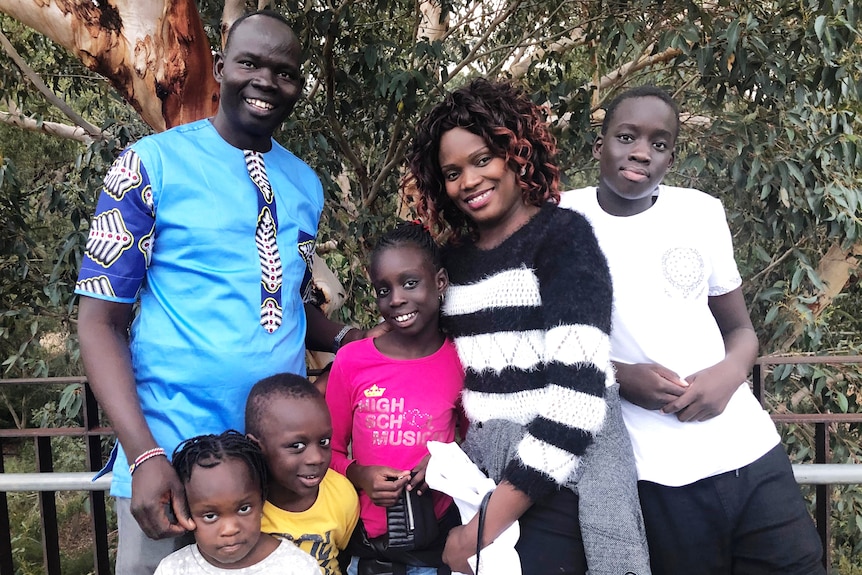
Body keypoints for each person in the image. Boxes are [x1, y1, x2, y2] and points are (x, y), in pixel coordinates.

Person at [75, 10, 371, 574]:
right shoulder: (148, 166)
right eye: (250, 62)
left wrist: (353, 338)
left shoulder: (306, 184)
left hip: (277, 476)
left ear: (298, 87)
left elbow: (286, 302)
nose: (265, 80)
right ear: (220, 69)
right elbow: (99, 322)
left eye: (283, 72)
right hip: (173, 469)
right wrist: (143, 455)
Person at [559, 85, 825, 574]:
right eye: (626, 136)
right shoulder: (559, 220)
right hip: (653, 476)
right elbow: (535, 344)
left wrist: (730, 374)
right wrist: (621, 378)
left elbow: (741, 329)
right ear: (599, 146)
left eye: (659, 144)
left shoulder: (701, 212)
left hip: (749, 453)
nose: (642, 151)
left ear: (671, 159)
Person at [406, 78, 650, 575]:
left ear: (517, 153)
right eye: (452, 173)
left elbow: (577, 402)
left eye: (481, 160)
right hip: (488, 467)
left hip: (570, 472)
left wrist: (483, 529)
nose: (468, 182)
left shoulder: (563, 239)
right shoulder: (452, 259)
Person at [326, 222, 465, 575]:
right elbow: (328, 449)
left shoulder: (462, 361)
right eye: (383, 289)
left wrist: (445, 464)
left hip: (435, 549)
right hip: (368, 551)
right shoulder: (353, 361)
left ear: (441, 282)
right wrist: (360, 474)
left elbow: (477, 442)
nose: (396, 299)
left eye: (410, 283)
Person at [154, 430, 320, 575]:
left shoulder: (296, 567)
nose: (230, 529)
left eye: (244, 509)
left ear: (262, 499)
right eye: (210, 516)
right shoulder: (174, 569)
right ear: (186, 513)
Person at [245, 373, 360, 575]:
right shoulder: (241, 505)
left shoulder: (341, 495)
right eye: (297, 446)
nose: (316, 458)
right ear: (257, 447)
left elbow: (346, 558)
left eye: (324, 441)